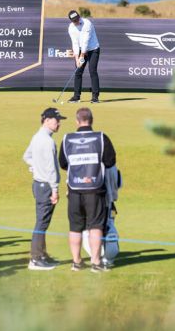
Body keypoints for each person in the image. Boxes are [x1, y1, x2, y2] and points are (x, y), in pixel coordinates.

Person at [59, 107, 116, 273]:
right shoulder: (101, 137)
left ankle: (76, 262)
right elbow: (111, 161)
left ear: (77, 121)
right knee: (96, 227)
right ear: (91, 120)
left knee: (75, 227)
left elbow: (63, 163)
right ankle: (95, 262)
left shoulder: (66, 139)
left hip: (74, 190)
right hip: (95, 190)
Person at [22, 107, 66, 270]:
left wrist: (35, 166)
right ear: (46, 120)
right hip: (45, 186)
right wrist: (55, 190)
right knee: (41, 223)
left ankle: (42, 255)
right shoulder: (47, 141)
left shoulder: (37, 137)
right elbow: (51, 169)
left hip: (38, 184)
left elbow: (27, 157)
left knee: (42, 222)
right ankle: (35, 259)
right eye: (56, 120)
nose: (59, 123)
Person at [66, 10, 101, 104]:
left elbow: (85, 41)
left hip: (93, 49)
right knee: (78, 71)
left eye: (77, 19)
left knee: (92, 71)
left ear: (79, 16)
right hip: (81, 49)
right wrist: (77, 59)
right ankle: (76, 97)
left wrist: (82, 56)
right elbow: (75, 43)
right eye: (74, 20)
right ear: (71, 21)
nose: (76, 22)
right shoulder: (71, 28)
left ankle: (95, 97)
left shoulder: (87, 23)